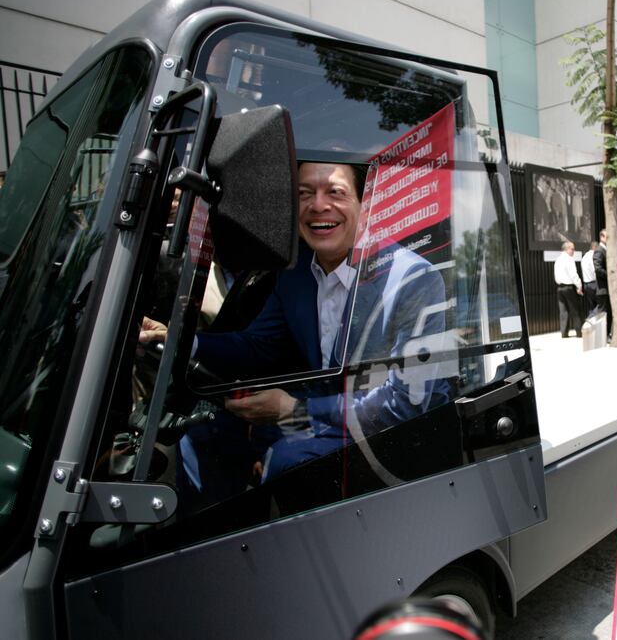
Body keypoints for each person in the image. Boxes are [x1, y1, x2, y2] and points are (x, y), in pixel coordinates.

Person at [141, 161, 449, 494]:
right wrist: (182, 342)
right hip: (327, 420)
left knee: (290, 459)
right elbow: (258, 345)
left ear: (367, 204)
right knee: (207, 432)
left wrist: (291, 409)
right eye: (305, 194)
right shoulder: (297, 273)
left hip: (390, 438)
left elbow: (404, 405)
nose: (318, 205)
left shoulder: (414, 280)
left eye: (335, 192)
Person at [553, 240, 584, 338]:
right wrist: (579, 285)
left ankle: (564, 333)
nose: (573, 251)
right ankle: (579, 332)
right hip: (569, 287)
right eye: (572, 249)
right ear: (567, 249)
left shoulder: (558, 259)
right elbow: (573, 274)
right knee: (574, 310)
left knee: (563, 311)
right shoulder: (569, 259)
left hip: (560, 288)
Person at [592, 229, 611, 332]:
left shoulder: (605, 250)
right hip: (603, 288)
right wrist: (610, 276)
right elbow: (598, 269)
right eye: (607, 237)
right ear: (602, 237)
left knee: (607, 313)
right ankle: (602, 335)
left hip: (606, 288)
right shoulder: (599, 250)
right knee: (603, 313)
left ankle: (606, 334)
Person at [581, 240, 598, 316]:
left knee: (591, 306)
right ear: (595, 247)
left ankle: (591, 321)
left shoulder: (584, 256)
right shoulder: (593, 256)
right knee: (599, 305)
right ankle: (594, 321)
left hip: (586, 284)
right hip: (594, 283)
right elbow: (595, 270)